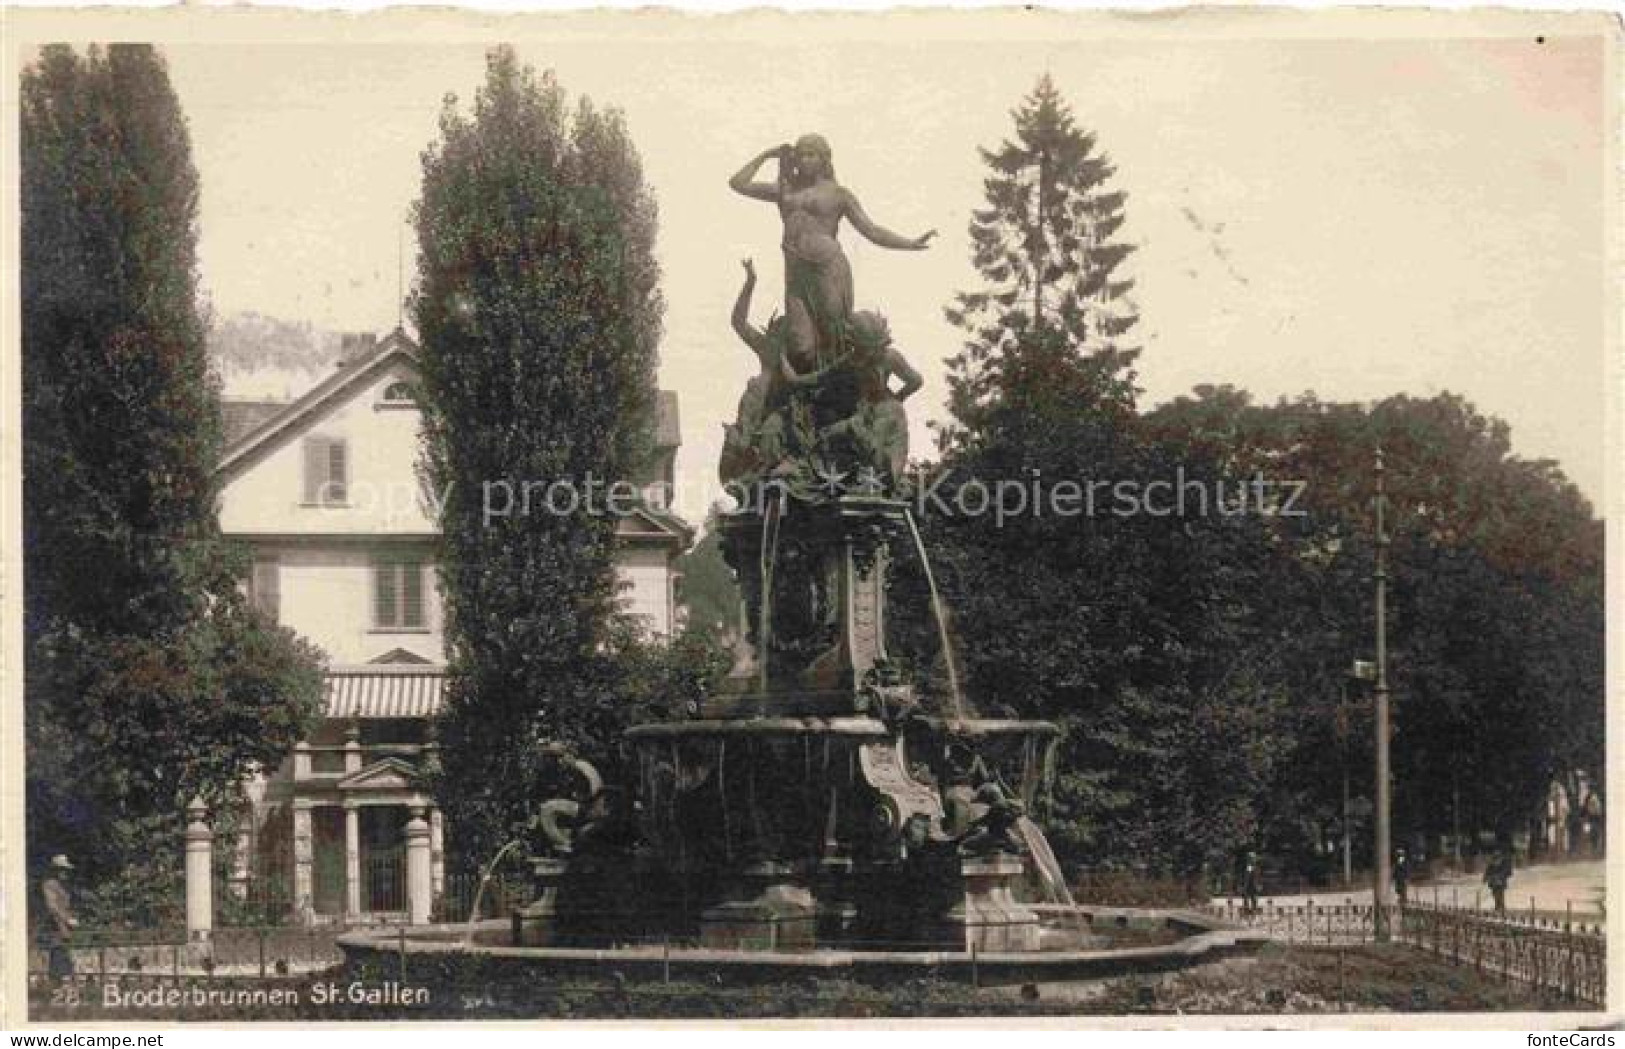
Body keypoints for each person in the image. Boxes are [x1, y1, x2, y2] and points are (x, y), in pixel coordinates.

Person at [729, 135, 936, 373]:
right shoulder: (784, 190)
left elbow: (872, 231)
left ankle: (842, 401)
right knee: (801, 347)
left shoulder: (839, 195)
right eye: (801, 155)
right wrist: (766, 155)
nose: (805, 160)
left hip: (829, 271)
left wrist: (910, 243)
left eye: (811, 155)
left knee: (835, 339)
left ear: (824, 159)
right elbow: (738, 183)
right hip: (797, 275)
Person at [37, 854, 78, 978]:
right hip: (55, 927)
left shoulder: (63, 885)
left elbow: (66, 905)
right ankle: (56, 986)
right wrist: (67, 919)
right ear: (55, 870)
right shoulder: (49, 885)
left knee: (65, 958)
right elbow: (52, 907)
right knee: (58, 957)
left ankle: (62, 987)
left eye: (66, 870)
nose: (65, 873)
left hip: (64, 930)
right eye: (62, 869)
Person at [1485, 847, 1512, 914]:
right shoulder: (1491, 863)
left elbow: (1508, 872)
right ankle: (1497, 906)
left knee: (1500, 893)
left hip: (1501, 881)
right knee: (1494, 893)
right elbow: (1488, 871)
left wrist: (1500, 876)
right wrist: (1486, 878)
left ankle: (1501, 907)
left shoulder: (1505, 862)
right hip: (1493, 881)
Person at [1240, 851, 1262, 917]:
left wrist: (1258, 884)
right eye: (1253, 858)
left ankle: (1251, 910)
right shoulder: (1250, 867)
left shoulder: (1254, 867)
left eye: (1254, 858)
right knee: (1250, 898)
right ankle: (1248, 910)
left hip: (1253, 884)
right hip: (1250, 885)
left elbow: (1257, 876)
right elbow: (1247, 876)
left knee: (1252, 898)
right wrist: (1245, 886)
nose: (1254, 859)